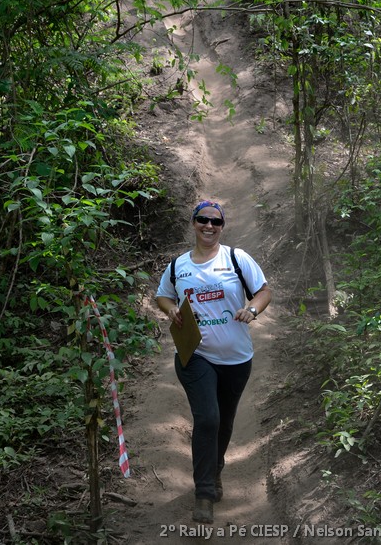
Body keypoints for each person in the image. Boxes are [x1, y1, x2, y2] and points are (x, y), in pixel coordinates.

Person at [156, 199, 272, 524]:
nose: (209, 226)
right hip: (195, 356)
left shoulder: (236, 258)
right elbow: (163, 295)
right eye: (203, 220)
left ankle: (215, 468)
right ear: (193, 223)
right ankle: (204, 493)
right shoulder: (178, 266)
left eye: (216, 222)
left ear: (222, 227)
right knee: (208, 418)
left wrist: (252, 310)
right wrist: (171, 309)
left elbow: (264, 292)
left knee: (224, 421)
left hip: (236, 358)